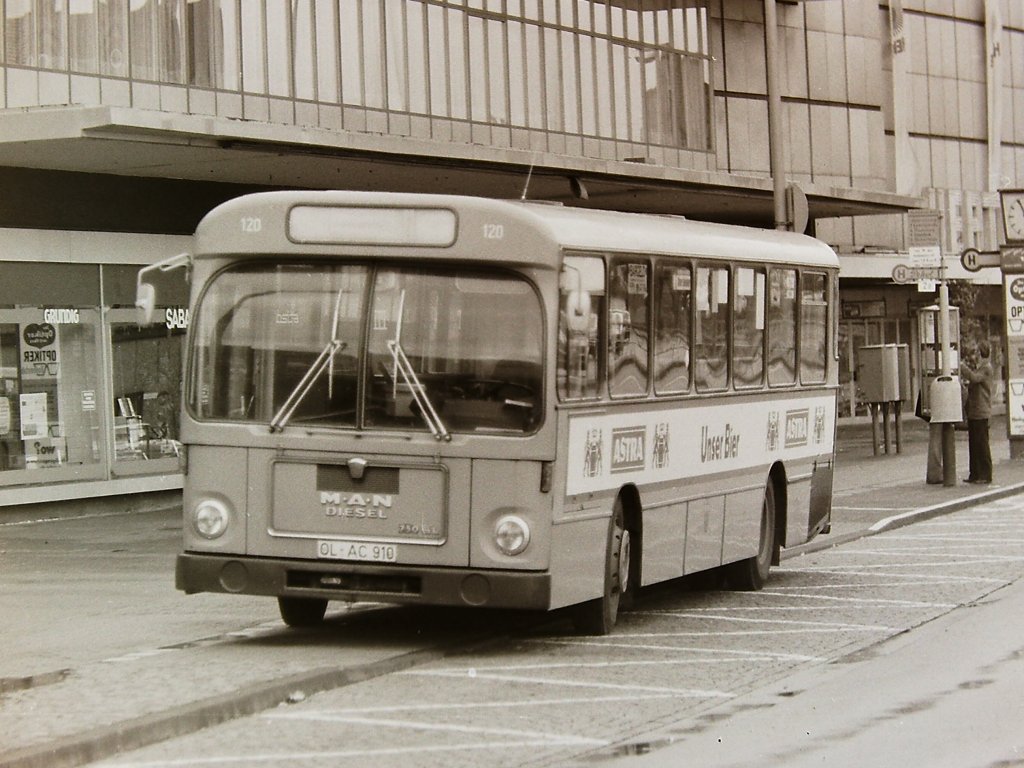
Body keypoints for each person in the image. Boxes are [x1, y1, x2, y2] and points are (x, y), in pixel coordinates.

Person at [960, 341, 993, 484]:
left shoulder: (986, 368)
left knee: (982, 443)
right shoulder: (980, 367)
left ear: (981, 353)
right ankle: (975, 473)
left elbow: (974, 378)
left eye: (977, 352)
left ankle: (986, 474)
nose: (975, 355)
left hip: (981, 411)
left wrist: (962, 367)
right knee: (973, 444)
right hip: (974, 411)